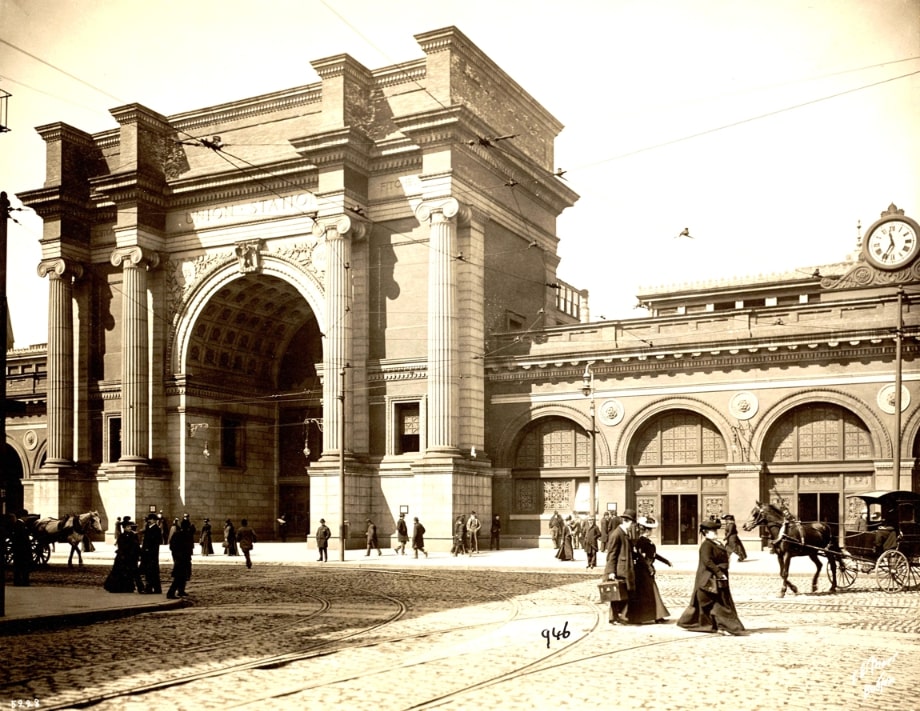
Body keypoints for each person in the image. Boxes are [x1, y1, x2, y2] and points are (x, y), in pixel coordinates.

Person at [678, 518, 745, 636]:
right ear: (705, 533)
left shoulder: (715, 543)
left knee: (718, 602)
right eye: (712, 531)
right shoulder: (706, 545)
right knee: (717, 603)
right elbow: (707, 561)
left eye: (715, 531)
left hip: (717, 577)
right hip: (709, 579)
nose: (715, 533)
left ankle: (718, 625)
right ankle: (723, 626)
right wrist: (719, 573)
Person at [629, 515, 671, 623]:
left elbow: (653, 554)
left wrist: (666, 561)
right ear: (645, 530)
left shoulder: (646, 541)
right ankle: (650, 616)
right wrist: (649, 567)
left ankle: (654, 616)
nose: (651, 531)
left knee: (649, 592)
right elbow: (641, 557)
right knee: (648, 592)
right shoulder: (641, 541)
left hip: (646, 570)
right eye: (649, 529)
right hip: (642, 571)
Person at [603, 508, 636, 624]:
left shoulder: (625, 533)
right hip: (620, 569)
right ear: (627, 521)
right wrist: (611, 571)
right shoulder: (617, 534)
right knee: (616, 593)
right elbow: (611, 554)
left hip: (625, 568)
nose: (632, 525)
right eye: (632, 522)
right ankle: (614, 618)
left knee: (623, 593)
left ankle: (620, 616)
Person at [105, 518, 143, 593]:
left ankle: (140, 588)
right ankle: (124, 588)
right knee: (123, 573)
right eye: (128, 527)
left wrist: (139, 554)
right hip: (124, 557)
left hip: (132, 557)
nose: (129, 528)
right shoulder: (122, 536)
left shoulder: (133, 535)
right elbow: (122, 547)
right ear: (124, 528)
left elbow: (137, 546)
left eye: (130, 527)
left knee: (135, 573)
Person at [167, 517, 194, 598]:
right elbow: (190, 547)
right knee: (180, 576)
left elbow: (171, 546)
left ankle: (181, 591)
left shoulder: (177, 534)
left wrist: (175, 555)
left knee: (181, 576)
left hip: (179, 558)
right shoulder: (187, 535)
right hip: (183, 558)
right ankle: (171, 593)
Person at [140, 513, 162, 594]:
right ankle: (156, 589)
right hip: (148, 554)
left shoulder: (156, 529)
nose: (149, 521)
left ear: (153, 520)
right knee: (151, 572)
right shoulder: (149, 528)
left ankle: (150, 588)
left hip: (151, 554)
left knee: (151, 572)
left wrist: (146, 550)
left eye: (150, 519)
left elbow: (155, 542)